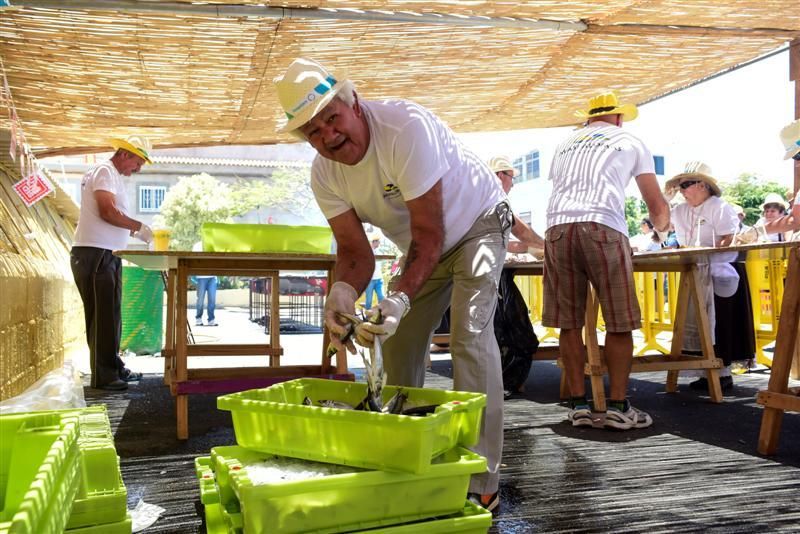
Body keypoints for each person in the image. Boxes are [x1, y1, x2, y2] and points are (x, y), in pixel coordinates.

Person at [274, 58, 510, 511]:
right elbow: (356, 253)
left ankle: (481, 477)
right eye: (313, 132)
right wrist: (341, 292)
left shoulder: (406, 129)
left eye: (331, 118)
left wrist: (399, 294)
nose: (328, 136)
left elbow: (429, 234)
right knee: (395, 339)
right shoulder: (324, 174)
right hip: (425, 244)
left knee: (470, 336)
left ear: (354, 103)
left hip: (479, 222)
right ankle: (405, 450)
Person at [544, 91, 670, 430]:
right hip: (602, 225)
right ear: (618, 117)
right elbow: (654, 203)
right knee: (619, 320)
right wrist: (661, 231)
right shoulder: (629, 139)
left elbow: (563, 187)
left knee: (568, 323)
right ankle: (617, 405)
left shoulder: (565, 143)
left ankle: (578, 405)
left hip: (556, 227)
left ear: (588, 118)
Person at [70, 136, 153, 391]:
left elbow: (112, 215)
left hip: (106, 254)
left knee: (112, 315)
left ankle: (113, 366)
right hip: (94, 254)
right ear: (125, 154)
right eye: (138, 163)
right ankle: (103, 377)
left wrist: (132, 230)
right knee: (102, 317)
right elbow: (107, 211)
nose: (137, 169)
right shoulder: (105, 170)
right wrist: (138, 227)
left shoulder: (113, 175)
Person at [665, 161, 754, 390]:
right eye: (680, 185)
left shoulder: (719, 206)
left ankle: (722, 372)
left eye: (686, 184)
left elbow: (729, 238)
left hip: (720, 270)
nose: (682, 190)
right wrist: (666, 197)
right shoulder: (680, 210)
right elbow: (662, 223)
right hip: (695, 271)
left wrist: (707, 253)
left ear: (703, 185)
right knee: (698, 322)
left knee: (721, 323)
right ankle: (705, 372)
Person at [487, 155, 545, 254]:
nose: (512, 184)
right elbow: (522, 232)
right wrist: (547, 246)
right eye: (512, 177)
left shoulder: (479, 198)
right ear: (501, 176)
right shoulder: (495, 202)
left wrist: (529, 248)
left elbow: (506, 243)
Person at [192, 242, 218, 326]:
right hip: (201, 277)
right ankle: (198, 318)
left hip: (212, 276)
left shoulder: (213, 244)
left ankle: (211, 319)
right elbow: (194, 259)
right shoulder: (197, 245)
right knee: (200, 300)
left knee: (212, 300)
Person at [364, 234, 385, 309]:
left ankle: (380, 315)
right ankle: (366, 317)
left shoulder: (379, 251)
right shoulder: (368, 251)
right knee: (369, 300)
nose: (379, 243)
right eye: (378, 241)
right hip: (370, 280)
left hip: (379, 279)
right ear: (374, 242)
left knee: (382, 297)